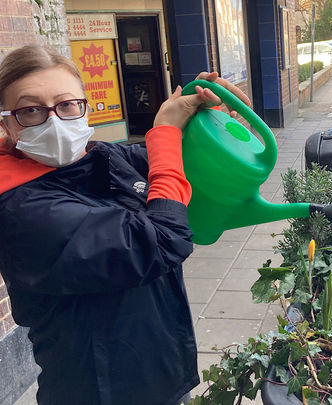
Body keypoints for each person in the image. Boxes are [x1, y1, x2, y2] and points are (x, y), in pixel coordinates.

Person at [0, 44, 250, 405]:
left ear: (84, 107)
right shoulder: (19, 210)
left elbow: (167, 162)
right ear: (6, 121)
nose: (54, 121)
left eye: (67, 104)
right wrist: (165, 132)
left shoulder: (94, 158)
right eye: (31, 110)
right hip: (98, 389)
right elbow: (163, 242)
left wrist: (200, 123)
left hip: (156, 368)